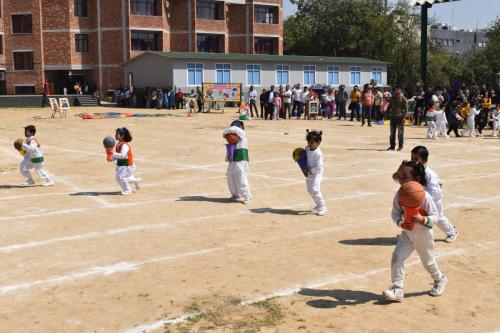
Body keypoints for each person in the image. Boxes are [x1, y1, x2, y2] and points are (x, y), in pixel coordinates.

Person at [383, 160, 448, 302]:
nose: (400, 179)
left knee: (428, 262)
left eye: (404, 176)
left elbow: (435, 216)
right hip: (407, 233)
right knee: (397, 258)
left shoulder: (424, 196)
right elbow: (395, 214)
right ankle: (397, 289)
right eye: (399, 175)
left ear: (416, 179)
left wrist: (422, 219)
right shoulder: (399, 195)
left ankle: (440, 279)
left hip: (423, 234)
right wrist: (401, 223)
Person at [411, 146, 458, 243]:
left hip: (433, 199)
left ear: (424, 160)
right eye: (412, 158)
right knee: (418, 218)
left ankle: (452, 232)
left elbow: (435, 192)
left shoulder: (430, 174)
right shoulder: (415, 169)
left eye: (416, 159)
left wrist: (422, 197)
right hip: (423, 199)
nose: (413, 161)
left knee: (439, 218)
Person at [223, 120, 252, 203]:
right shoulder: (233, 140)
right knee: (230, 176)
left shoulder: (242, 134)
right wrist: (227, 156)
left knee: (241, 177)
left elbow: (231, 130)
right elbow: (230, 149)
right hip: (234, 160)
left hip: (242, 159)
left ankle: (247, 195)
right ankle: (236, 194)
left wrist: (226, 132)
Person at [111, 128, 141, 195]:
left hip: (126, 164)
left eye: (117, 134)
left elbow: (123, 155)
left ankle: (128, 190)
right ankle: (136, 180)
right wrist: (112, 158)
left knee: (120, 177)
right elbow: (118, 154)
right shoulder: (119, 144)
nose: (115, 135)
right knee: (126, 178)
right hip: (122, 164)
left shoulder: (124, 145)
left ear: (122, 136)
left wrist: (113, 154)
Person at [304, 130, 326, 216]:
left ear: (319, 142)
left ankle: (322, 206)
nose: (310, 144)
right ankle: (318, 205)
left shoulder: (318, 154)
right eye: (308, 141)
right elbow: (304, 156)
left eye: (312, 142)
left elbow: (319, 168)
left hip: (317, 173)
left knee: (315, 189)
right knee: (310, 190)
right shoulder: (307, 148)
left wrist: (310, 171)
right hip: (309, 173)